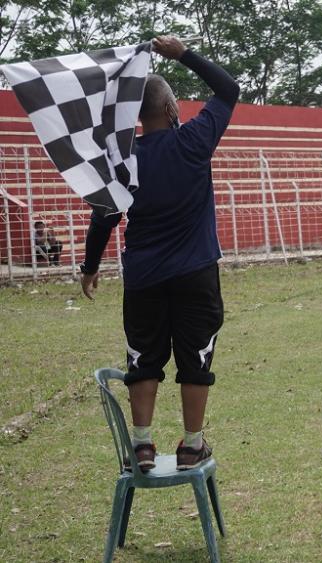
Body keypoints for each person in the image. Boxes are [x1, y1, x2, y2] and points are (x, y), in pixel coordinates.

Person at [80, 36, 239, 473]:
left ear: (135, 118)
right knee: (196, 357)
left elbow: (104, 217)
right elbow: (228, 90)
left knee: (142, 359)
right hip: (196, 273)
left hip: (144, 278)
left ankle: (143, 447)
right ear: (172, 110)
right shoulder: (193, 142)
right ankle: (191, 446)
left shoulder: (124, 162)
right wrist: (183, 53)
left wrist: (89, 268)